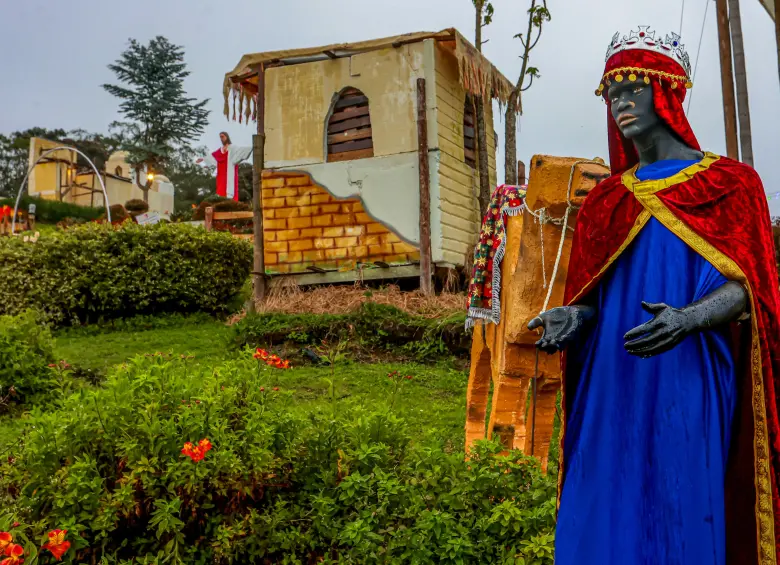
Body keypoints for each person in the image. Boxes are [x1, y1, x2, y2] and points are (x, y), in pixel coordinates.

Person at [528, 26, 780, 564]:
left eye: (633, 87)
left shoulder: (732, 185)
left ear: (667, 91)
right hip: (612, 380)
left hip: (689, 373)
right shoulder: (605, 202)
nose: (620, 102)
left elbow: (750, 292)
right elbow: (596, 295)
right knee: (603, 501)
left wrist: (689, 318)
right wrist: (572, 316)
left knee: (682, 500)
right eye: (612, 92)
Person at [196, 132, 252, 201]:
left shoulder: (233, 148)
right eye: (220, 137)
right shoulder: (220, 150)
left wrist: (252, 147)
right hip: (221, 175)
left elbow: (241, 151)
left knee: (231, 189)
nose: (221, 139)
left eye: (222, 136)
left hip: (230, 173)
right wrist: (203, 159)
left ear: (227, 137)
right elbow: (212, 157)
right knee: (221, 191)